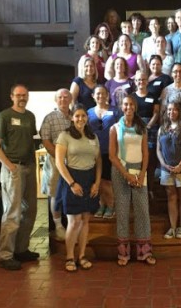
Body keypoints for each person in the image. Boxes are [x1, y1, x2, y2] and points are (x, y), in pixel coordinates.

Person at [0, 84, 39, 270]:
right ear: (12, 96)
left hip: (29, 168)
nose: (22, 98)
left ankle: (21, 249)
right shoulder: (5, 116)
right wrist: (10, 167)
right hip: (13, 169)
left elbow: (30, 140)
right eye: (18, 95)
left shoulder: (30, 116)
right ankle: (5, 255)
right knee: (13, 213)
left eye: (24, 95)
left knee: (30, 210)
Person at [109, 95, 156, 266]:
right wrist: (126, 175)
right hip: (120, 170)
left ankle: (145, 252)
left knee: (142, 210)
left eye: (131, 105)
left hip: (138, 170)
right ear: (122, 107)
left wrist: (142, 174)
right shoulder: (114, 128)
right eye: (126, 104)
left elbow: (146, 153)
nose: (128, 107)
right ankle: (123, 253)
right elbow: (112, 156)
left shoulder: (141, 128)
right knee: (122, 210)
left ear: (135, 107)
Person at [55, 103, 102, 272]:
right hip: (72, 179)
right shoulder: (65, 136)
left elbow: (98, 162)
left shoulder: (92, 136)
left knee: (85, 220)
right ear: (72, 118)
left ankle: (81, 256)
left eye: (83, 115)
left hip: (89, 180)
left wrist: (97, 183)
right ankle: (69, 257)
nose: (80, 119)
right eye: (77, 116)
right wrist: (72, 183)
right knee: (74, 221)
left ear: (87, 117)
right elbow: (59, 163)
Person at [157, 102, 181, 239]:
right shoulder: (163, 128)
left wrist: (180, 165)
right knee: (171, 197)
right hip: (166, 169)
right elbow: (158, 149)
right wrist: (163, 164)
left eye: (174, 110)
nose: (171, 112)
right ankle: (172, 227)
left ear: (180, 111)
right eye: (169, 110)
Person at [40, 89, 72, 241]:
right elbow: (46, 140)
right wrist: (59, 158)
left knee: (71, 192)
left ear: (71, 98)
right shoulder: (50, 118)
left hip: (74, 162)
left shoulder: (75, 116)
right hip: (55, 162)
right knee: (55, 193)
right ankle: (58, 226)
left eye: (66, 97)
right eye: (60, 97)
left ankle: (71, 226)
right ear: (56, 99)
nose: (63, 100)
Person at [88, 85, 119, 219]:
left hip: (110, 151)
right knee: (98, 181)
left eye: (103, 94)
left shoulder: (115, 111)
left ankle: (111, 205)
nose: (100, 96)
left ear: (107, 95)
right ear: (93, 96)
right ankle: (101, 204)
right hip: (93, 152)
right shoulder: (88, 112)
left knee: (108, 181)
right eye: (98, 94)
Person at [132, 70, 160, 199]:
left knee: (151, 159)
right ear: (135, 81)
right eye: (138, 80)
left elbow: (156, 113)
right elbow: (129, 113)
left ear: (147, 81)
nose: (141, 82)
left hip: (151, 128)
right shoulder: (131, 97)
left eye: (143, 79)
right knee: (137, 159)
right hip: (135, 129)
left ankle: (150, 188)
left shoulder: (153, 95)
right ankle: (137, 187)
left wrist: (148, 126)